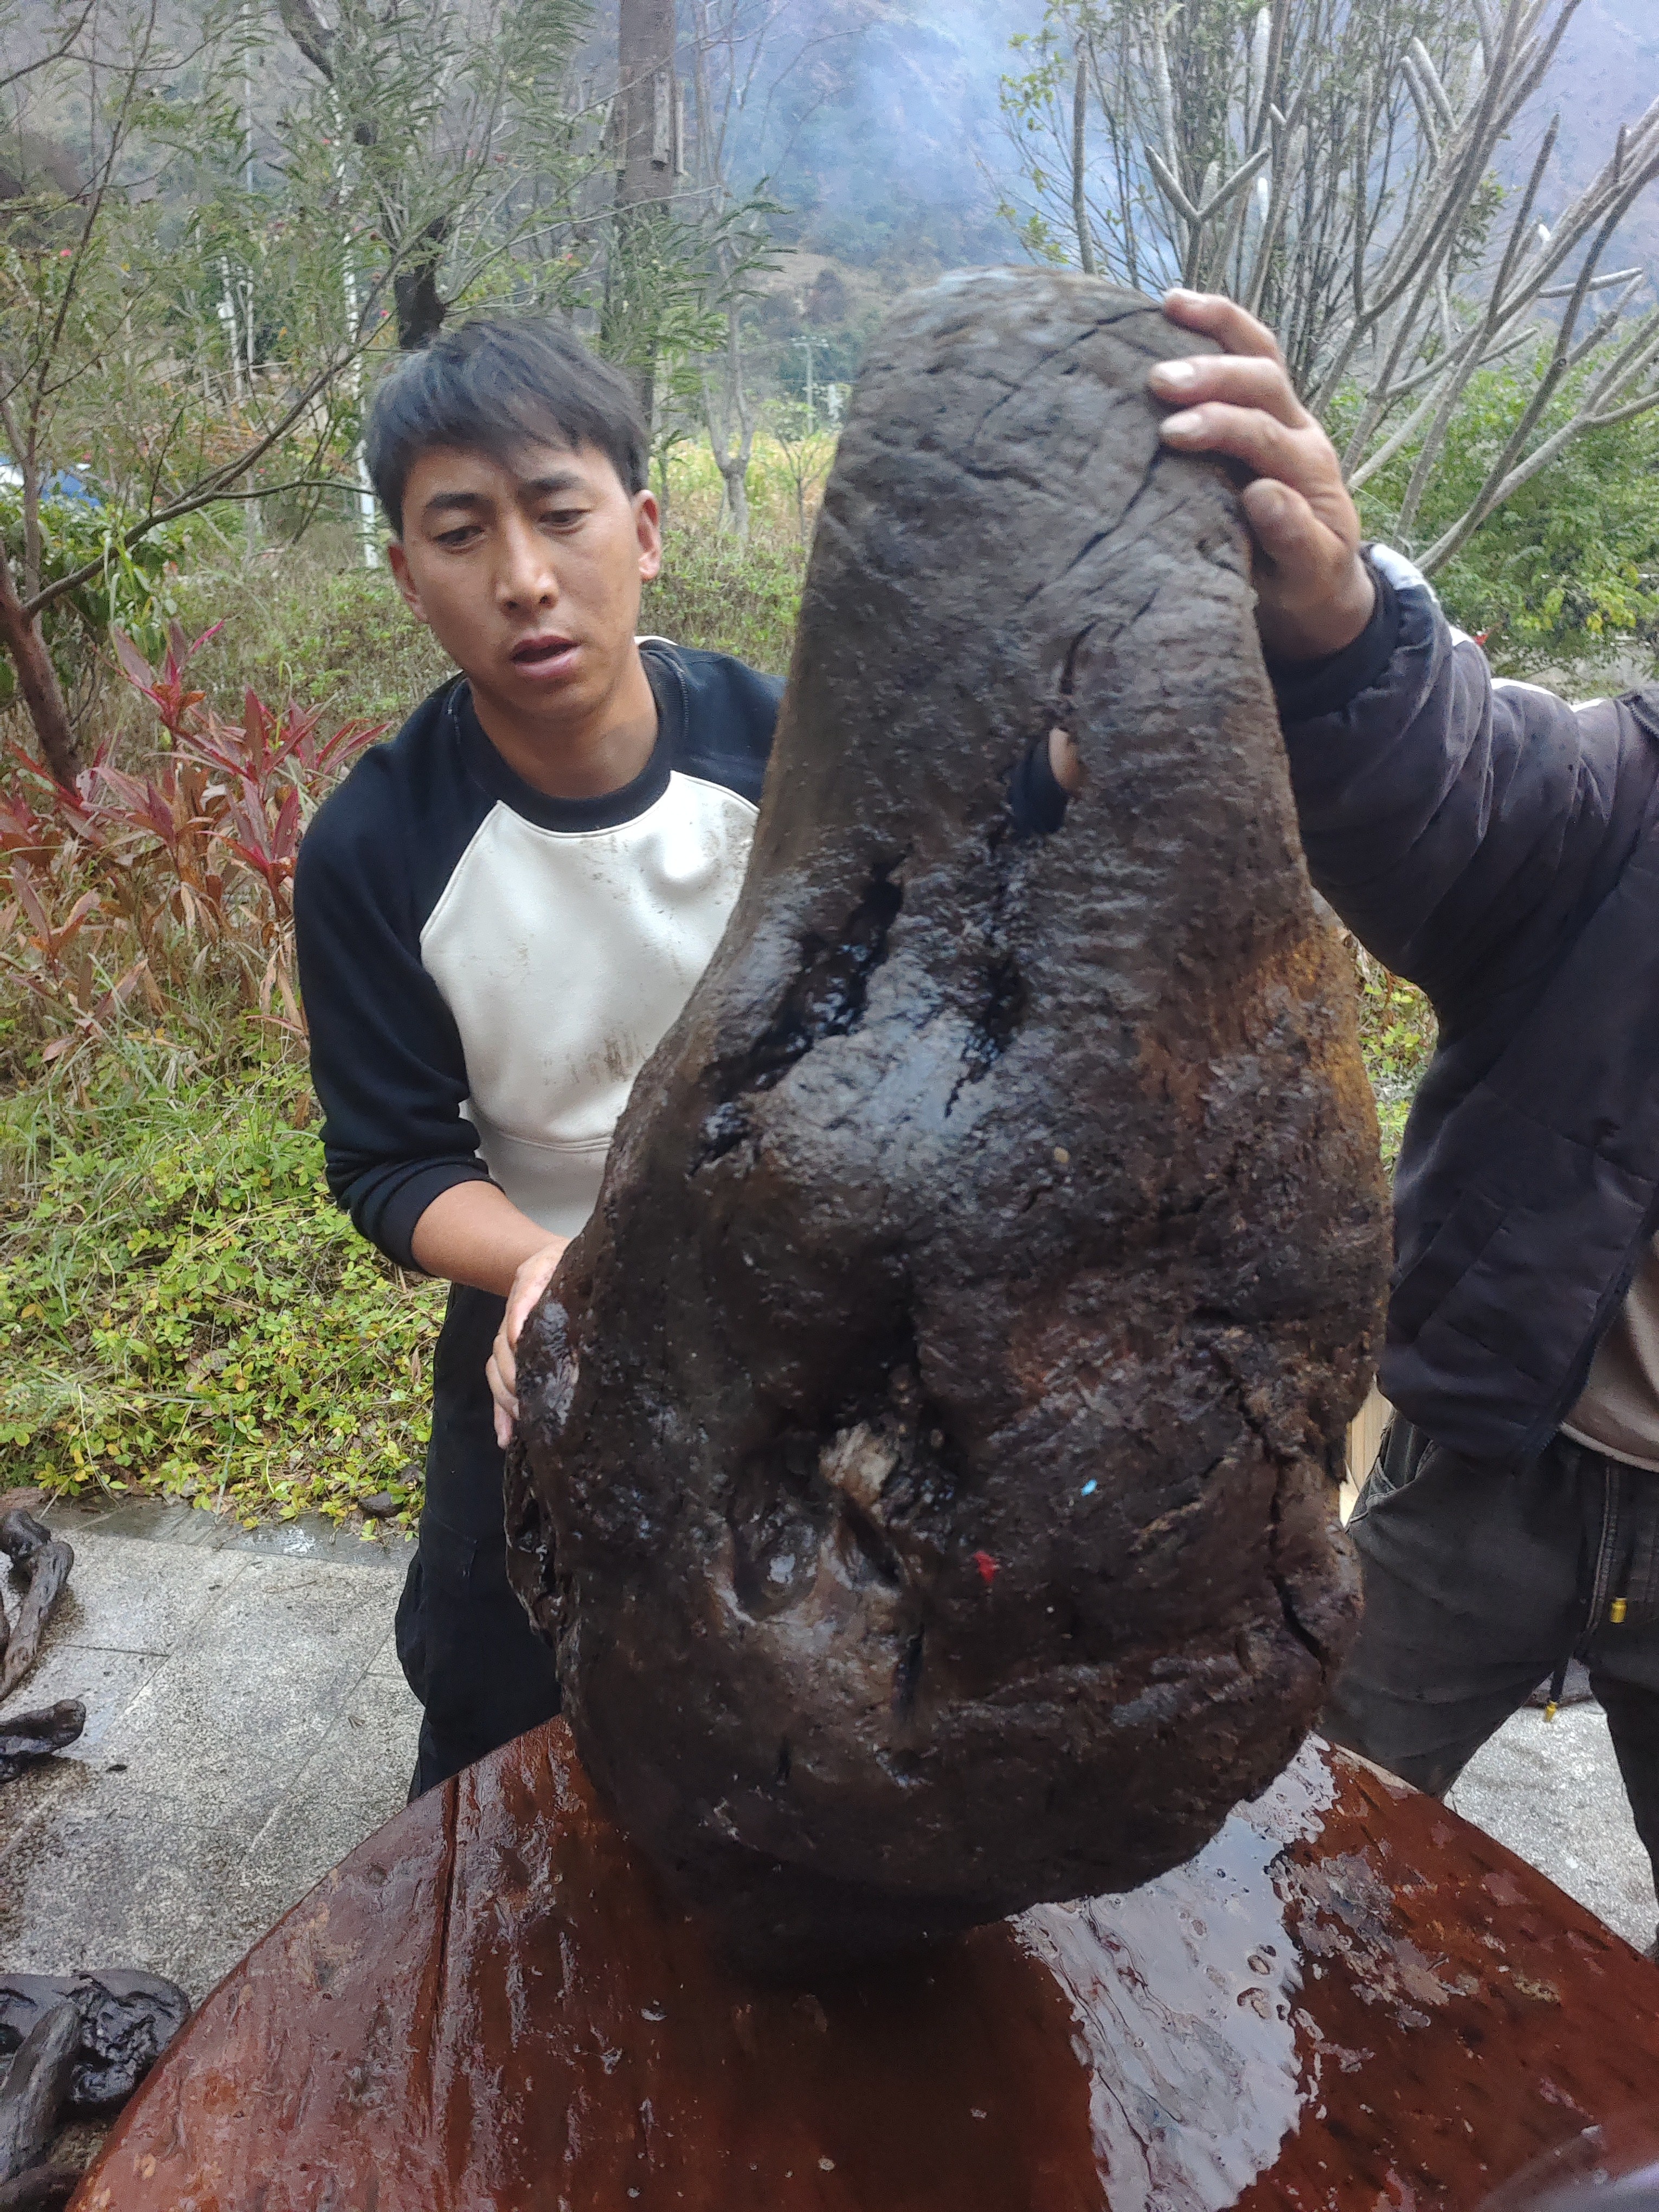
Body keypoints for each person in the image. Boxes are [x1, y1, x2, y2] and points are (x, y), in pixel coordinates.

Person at [293, 314, 1070, 1795]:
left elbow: (993, 846)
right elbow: (390, 1162)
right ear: (406, 573)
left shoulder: (787, 749)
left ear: (639, 532)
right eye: (460, 533)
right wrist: (536, 1271)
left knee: (834, 1677)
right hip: (547, 1307)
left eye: (559, 514)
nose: (522, 577)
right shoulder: (377, 846)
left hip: (809, 1297)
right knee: (492, 1683)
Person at [1142, 288, 1659, 1923]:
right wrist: (1341, 629)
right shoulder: (1617, 803)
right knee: (1270, 1842)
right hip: (1493, 1453)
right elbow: (1443, 791)